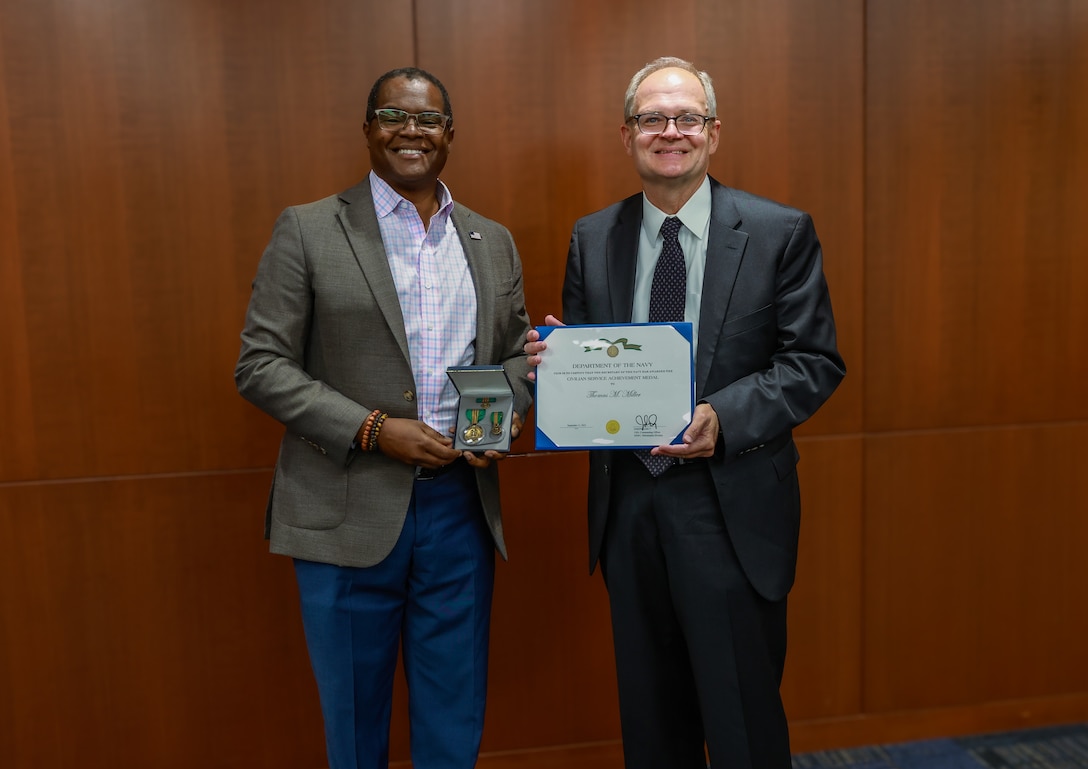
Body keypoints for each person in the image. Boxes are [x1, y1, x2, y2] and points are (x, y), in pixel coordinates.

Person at [526, 57, 845, 768]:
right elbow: (586, 365)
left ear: (713, 132)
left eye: (687, 118)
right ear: (627, 134)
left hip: (728, 507)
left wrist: (722, 417)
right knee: (652, 725)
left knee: (742, 726)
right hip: (630, 508)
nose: (670, 131)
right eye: (651, 118)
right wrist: (558, 363)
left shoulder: (778, 231)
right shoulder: (592, 237)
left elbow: (813, 362)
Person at [236, 67, 532, 769]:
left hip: (461, 509)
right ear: (368, 128)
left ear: (450, 134)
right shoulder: (309, 229)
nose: (411, 131)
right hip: (346, 510)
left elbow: (515, 355)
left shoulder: (492, 240)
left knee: (454, 716)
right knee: (354, 725)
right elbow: (261, 365)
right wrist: (373, 429)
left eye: (428, 119)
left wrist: (499, 419)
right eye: (393, 116)